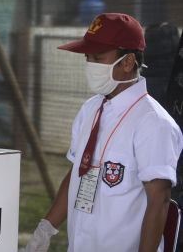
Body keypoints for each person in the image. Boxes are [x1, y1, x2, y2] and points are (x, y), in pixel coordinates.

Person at [25, 13, 183, 252]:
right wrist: (46, 227)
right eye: (88, 57)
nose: (90, 64)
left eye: (98, 57)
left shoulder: (153, 123)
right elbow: (77, 174)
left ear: (128, 62)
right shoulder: (90, 109)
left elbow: (159, 201)